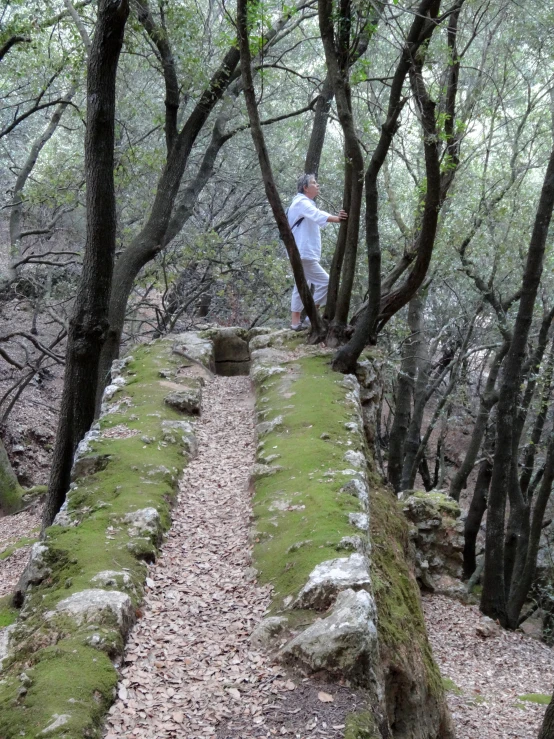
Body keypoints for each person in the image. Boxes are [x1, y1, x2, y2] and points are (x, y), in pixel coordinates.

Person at [288, 173, 348, 330]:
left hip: (301, 253)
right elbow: (317, 215)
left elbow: (316, 214)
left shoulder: (303, 203)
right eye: (314, 183)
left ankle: (295, 322)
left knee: (300, 284)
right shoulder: (301, 202)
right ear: (305, 188)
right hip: (303, 253)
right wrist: (337, 219)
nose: (317, 185)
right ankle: (311, 317)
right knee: (327, 282)